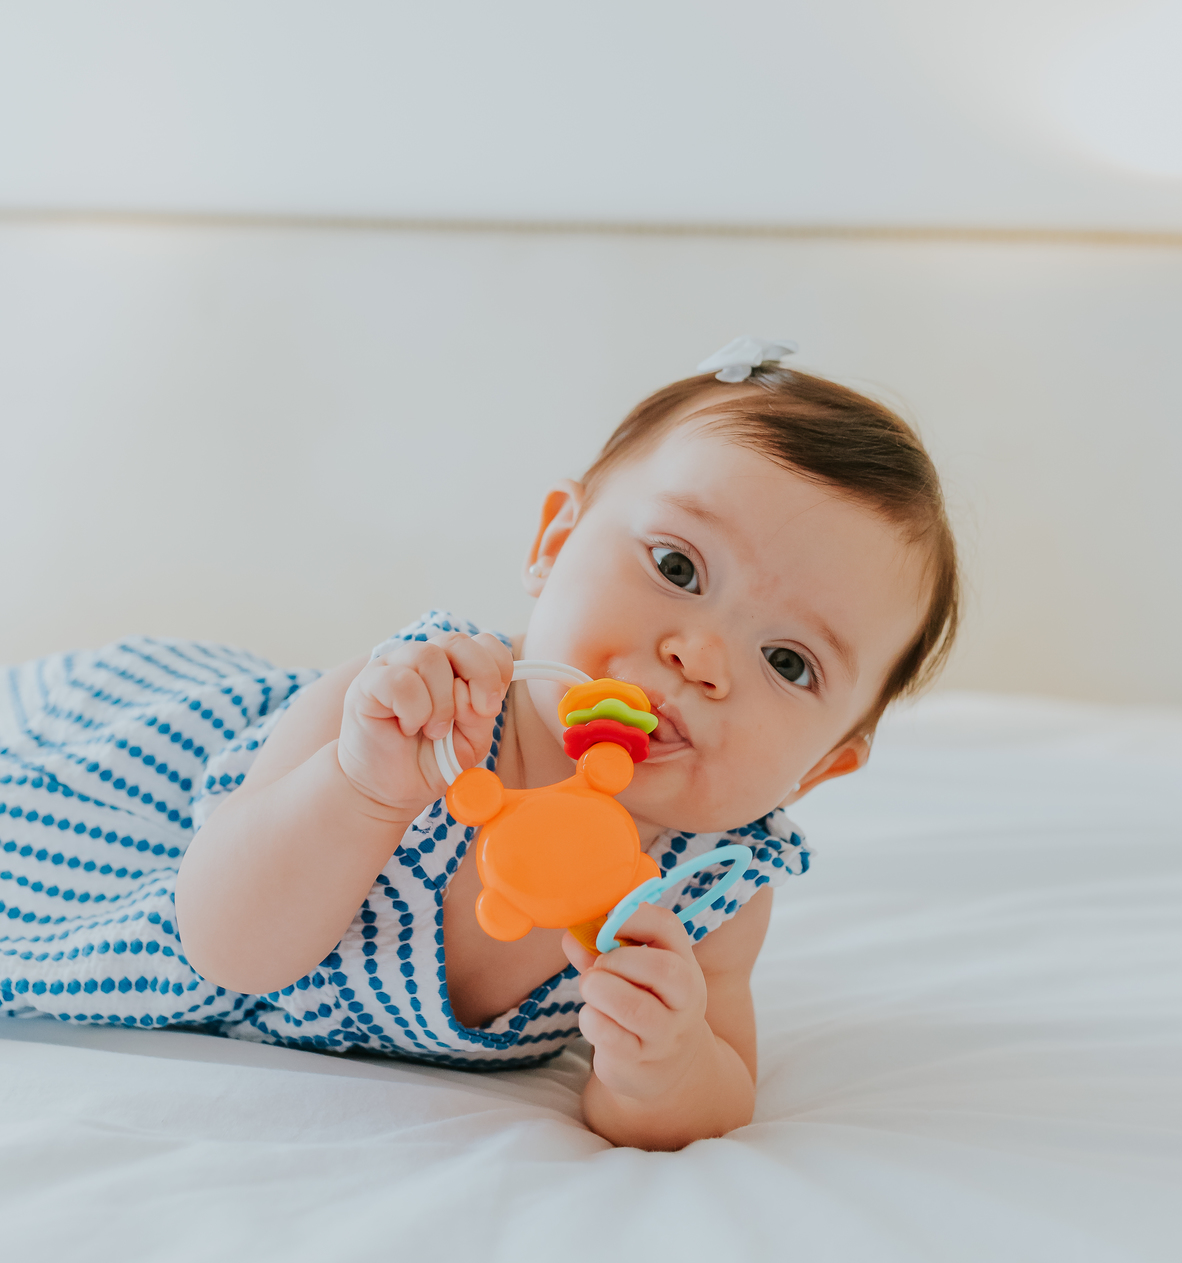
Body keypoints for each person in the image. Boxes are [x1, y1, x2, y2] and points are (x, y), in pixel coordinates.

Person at [0, 344, 958, 1150]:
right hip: (137, 814)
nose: (700, 657)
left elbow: (716, 1092)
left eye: (788, 662)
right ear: (554, 542)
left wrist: (664, 1068)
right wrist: (360, 792)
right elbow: (226, 945)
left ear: (822, 767)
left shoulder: (711, 886)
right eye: (676, 566)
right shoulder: (416, 708)